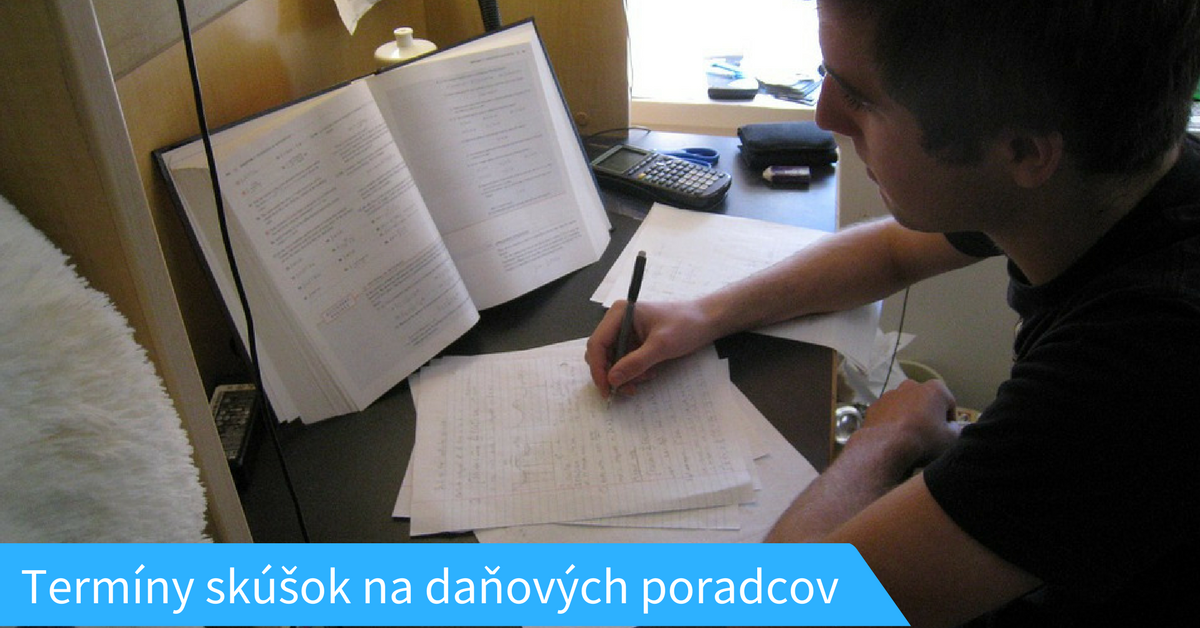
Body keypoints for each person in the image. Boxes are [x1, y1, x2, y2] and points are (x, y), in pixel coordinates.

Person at [584, 1, 1200, 625]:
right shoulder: (1097, 182)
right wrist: (705, 312)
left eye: (861, 98)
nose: (824, 116)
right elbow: (889, 253)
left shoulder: (1139, 371)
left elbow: (791, 607)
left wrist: (886, 437)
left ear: (1022, 151)